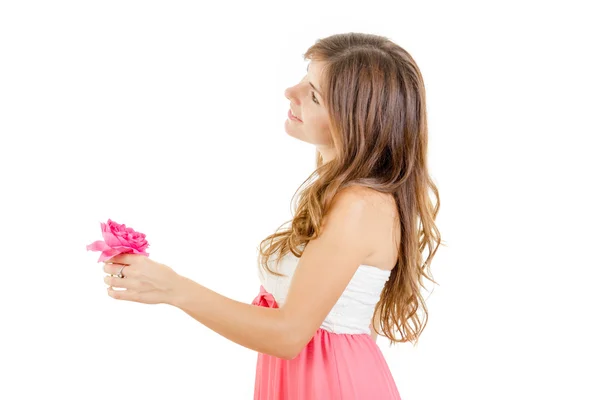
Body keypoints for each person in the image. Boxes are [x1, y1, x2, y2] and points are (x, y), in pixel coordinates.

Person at [102, 32, 442, 400]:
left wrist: (173, 288)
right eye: (305, 77)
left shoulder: (359, 205)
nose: (290, 93)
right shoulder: (341, 193)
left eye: (312, 95)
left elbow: (288, 335)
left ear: (354, 123)